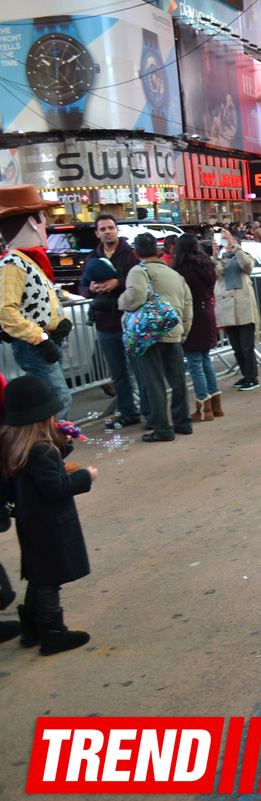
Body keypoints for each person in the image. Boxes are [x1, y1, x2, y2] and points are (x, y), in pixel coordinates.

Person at [1, 375, 96, 655]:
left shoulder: (13, 444)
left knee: (38, 577)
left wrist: (63, 445)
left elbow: (36, 477)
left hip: (31, 524)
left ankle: (31, 629)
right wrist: (85, 476)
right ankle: (53, 634)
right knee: (50, 581)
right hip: (52, 526)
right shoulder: (40, 450)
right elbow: (55, 487)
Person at [0, 187, 74, 422]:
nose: (45, 225)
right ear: (33, 222)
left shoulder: (27, 261)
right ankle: (45, 450)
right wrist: (41, 339)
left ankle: (50, 451)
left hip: (44, 342)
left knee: (53, 400)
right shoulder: (13, 264)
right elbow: (5, 311)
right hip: (34, 346)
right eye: (42, 218)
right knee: (58, 399)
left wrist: (63, 323)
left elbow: (42, 302)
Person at [119, 233, 194, 443]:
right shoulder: (175, 275)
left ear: (135, 252)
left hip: (150, 335)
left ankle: (162, 428)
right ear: (159, 251)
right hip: (174, 332)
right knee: (178, 380)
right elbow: (188, 306)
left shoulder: (138, 271)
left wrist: (120, 302)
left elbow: (135, 297)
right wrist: (183, 331)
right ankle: (183, 422)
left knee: (154, 383)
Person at [80, 213, 145, 427]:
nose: (108, 231)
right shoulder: (91, 258)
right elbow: (82, 286)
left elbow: (142, 280)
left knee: (139, 369)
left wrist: (118, 282)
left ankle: (149, 410)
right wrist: (90, 288)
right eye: (103, 229)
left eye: (111, 227)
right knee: (117, 373)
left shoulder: (130, 255)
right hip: (104, 322)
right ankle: (128, 412)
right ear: (97, 233)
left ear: (117, 230)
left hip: (129, 321)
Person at [172, 234, 222, 422]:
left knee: (195, 363)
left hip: (191, 316)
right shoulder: (207, 265)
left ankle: (204, 407)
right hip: (207, 313)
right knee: (205, 361)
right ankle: (215, 405)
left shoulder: (182, 270)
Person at [214, 229, 261, 392]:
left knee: (247, 345)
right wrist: (213, 255)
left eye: (230, 241)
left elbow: (247, 266)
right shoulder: (221, 260)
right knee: (236, 345)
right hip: (227, 309)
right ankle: (245, 375)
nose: (227, 246)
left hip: (243, 307)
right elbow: (214, 274)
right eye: (225, 242)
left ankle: (252, 377)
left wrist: (235, 248)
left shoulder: (243, 255)